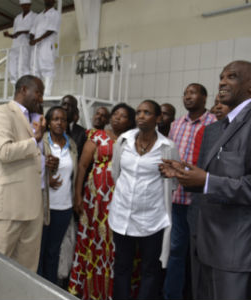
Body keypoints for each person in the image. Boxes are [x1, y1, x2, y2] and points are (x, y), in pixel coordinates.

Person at [160, 60, 251, 300]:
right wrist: (185, 171)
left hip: (235, 252)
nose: (222, 81)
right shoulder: (218, 128)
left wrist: (207, 181)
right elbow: (215, 173)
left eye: (231, 76)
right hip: (206, 244)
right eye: (221, 76)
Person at [109, 100, 179, 299]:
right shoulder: (124, 140)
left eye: (147, 113)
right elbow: (117, 173)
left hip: (152, 219)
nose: (140, 116)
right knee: (122, 267)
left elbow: (172, 183)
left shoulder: (167, 147)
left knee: (150, 269)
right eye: (138, 112)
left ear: (158, 118)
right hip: (123, 216)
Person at [69, 103, 136, 300]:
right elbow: (82, 166)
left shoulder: (132, 140)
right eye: (115, 114)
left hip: (121, 198)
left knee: (116, 244)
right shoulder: (96, 136)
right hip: (95, 199)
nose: (116, 118)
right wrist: (78, 194)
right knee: (92, 239)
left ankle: (112, 292)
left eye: (122, 116)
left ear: (130, 122)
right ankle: (89, 289)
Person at [0, 75, 46, 272]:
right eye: (38, 92)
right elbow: (4, 152)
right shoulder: (0, 113)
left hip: (33, 209)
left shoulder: (35, 119)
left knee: (26, 273)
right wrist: (35, 140)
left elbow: (35, 157)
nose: (41, 99)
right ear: (23, 90)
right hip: (8, 207)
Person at [163, 83, 216, 300]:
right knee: (175, 252)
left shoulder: (214, 124)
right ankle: (171, 296)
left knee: (200, 254)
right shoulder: (176, 125)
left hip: (200, 200)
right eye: (185, 93)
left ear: (204, 98)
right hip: (177, 198)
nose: (188, 96)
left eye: (193, 93)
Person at [38, 106, 77, 284]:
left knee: (54, 251)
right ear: (48, 122)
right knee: (39, 250)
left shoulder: (72, 145)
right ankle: (35, 287)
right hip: (44, 206)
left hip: (64, 207)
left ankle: (50, 287)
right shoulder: (41, 142)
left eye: (63, 119)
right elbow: (32, 169)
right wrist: (46, 180)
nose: (59, 122)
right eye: (55, 119)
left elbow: (74, 174)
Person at [29, 0, 61, 96]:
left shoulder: (55, 14)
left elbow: (51, 30)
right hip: (36, 46)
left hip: (47, 44)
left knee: (47, 67)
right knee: (35, 68)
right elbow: (32, 31)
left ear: (54, 1)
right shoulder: (39, 16)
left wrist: (37, 39)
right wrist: (31, 39)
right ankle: (36, 91)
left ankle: (47, 92)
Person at [4, 0, 37, 85]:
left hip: (26, 45)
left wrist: (21, 32)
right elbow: (15, 34)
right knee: (12, 65)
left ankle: (25, 84)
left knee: (24, 65)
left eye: (26, 5)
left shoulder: (35, 16)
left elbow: (34, 31)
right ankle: (15, 84)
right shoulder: (17, 18)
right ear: (21, 6)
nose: (25, 7)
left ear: (30, 5)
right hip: (15, 44)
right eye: (23, 5)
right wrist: (8, 35)